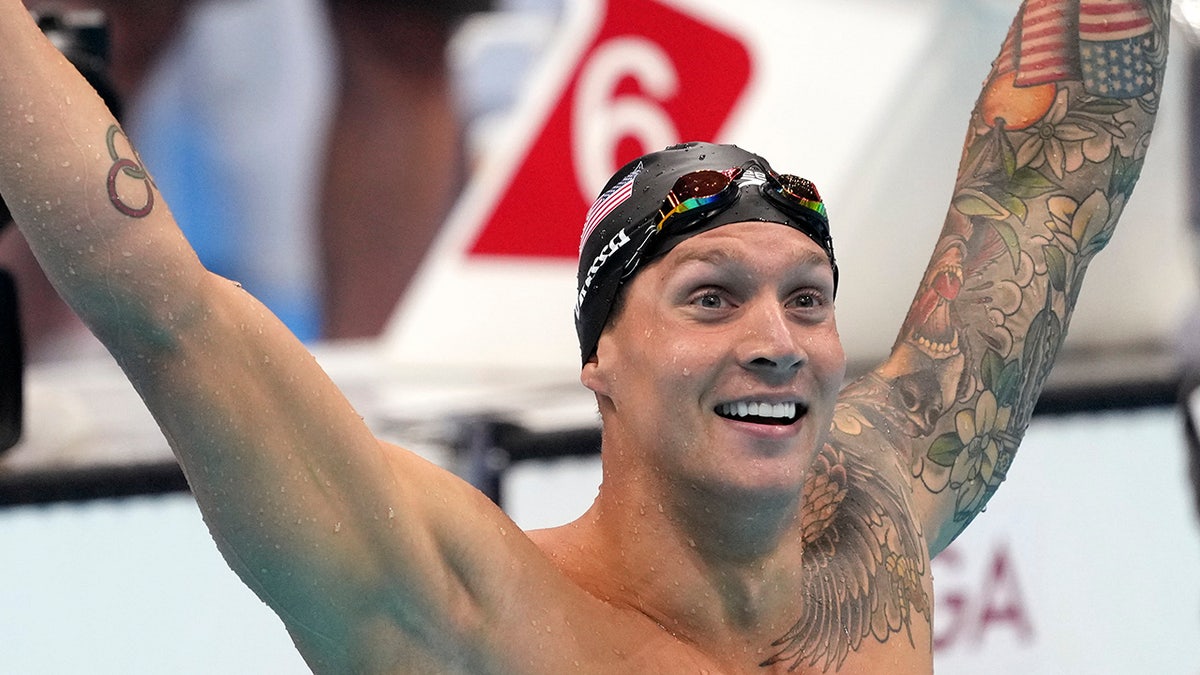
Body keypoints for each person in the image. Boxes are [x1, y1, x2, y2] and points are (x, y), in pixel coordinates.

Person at [0, 0, 1171, 672]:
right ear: (599, 362)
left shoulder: (879, 536)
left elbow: (1043, 190)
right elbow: (166, 309)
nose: (778, 340)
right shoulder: (475, 617)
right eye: (711, 299)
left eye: (807, 299)